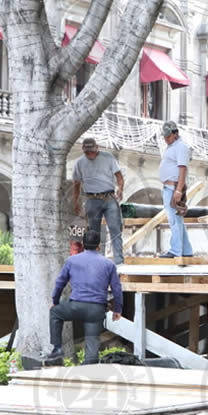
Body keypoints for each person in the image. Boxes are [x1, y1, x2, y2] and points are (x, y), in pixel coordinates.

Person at [47, 231, 122, 364]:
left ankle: (57, 348)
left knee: (55, 313)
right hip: (96, 309)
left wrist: (55, 301)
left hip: (75, 306)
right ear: (99, 245)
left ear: (83, 244)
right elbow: (116, 288)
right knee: (92, 343)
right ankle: (90, 367)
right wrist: (117, 310)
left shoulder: (72, 260)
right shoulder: (108, 264)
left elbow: (60, 283)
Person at [72, 138, 124, 264]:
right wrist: (76, 201)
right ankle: (97, 261)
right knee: (93, 232)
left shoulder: (108, 158)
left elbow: (119, 176)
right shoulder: (80, 163)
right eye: (87, 152)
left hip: (109, 197)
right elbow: (76, 183)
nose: (89, 155)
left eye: (91, 152)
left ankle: (119, 261)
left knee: (115, 228)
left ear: (97, 149)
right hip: (91, 199)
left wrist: (120, 189)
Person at [159, 121, 193, 258]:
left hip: (174, 187)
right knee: (176, 219)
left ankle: (175, 250)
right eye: (165, 136)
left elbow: (182, 169)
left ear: (175, 134)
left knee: (174, 220)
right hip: (169, 186)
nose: (166, 139)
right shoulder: (172, 146)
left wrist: (178, 190)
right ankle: (186, 250)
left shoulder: (180, 147)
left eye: (168, 136)